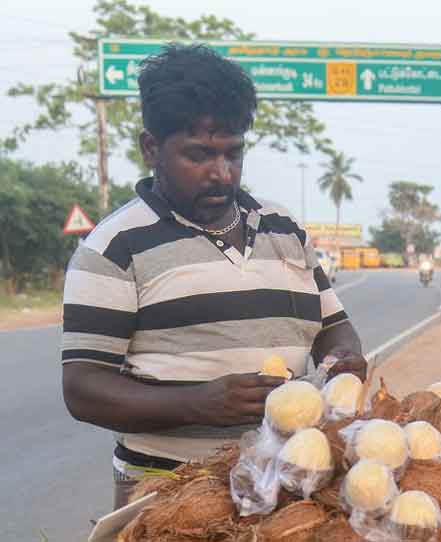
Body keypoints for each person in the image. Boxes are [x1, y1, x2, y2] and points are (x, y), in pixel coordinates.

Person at [60, 44, 366, 510]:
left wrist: (343, 359)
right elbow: (83, 389)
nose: (221, 174)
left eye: (233, 153)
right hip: (168, 498)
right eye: (199, 155)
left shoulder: (285, 228)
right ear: (150, 148)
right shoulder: (114, 248)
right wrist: (197, 405)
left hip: (286, 488)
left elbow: (333, 328)